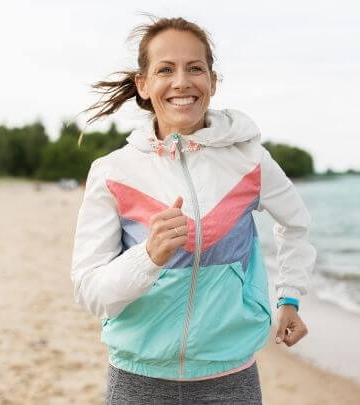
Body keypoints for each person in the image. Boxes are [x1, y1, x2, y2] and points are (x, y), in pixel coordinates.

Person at [70, 16, 316, 404]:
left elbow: (296, 225)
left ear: (213, 82)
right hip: (137, 378)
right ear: (144, 84)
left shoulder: (249, 159)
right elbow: (91, 293)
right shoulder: (113, 171)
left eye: (195, 68)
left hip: (230, 377)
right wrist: (148, 257)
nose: (182, 81)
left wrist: (289, 297)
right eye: (165, 69)